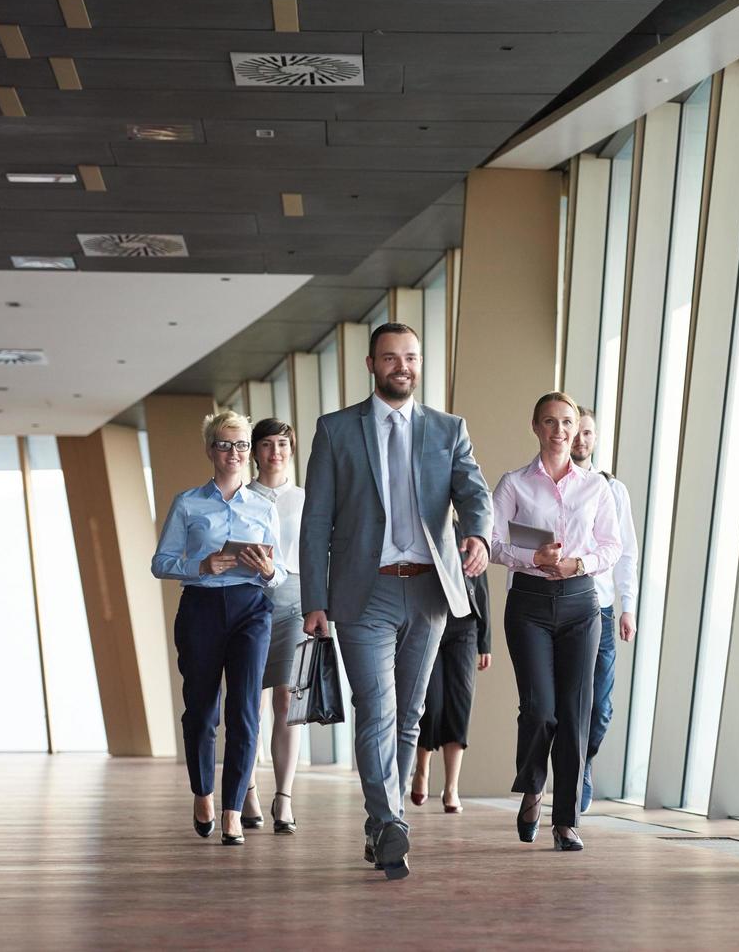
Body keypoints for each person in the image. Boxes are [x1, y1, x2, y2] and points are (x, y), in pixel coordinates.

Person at [300, 322, 492, 881]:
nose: (401, 366)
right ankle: (387, 821)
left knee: (409, 715)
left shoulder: (447, 429)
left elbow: (473, 493)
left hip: (430, 589)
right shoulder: (336, 431)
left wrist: (477, 533)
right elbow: (315, 522)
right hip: (365, 590)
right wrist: (315, 597)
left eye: (410, 356)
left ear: (420, 362)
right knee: (377, 709)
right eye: (390, 358)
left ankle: (386, 824)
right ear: (371, 364)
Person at [491, 392, 620, 852]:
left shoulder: (595, 487)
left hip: (581, 604)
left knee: (575, 713)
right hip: (528, 602)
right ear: (536, 426)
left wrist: (579, 564)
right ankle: (532, 788)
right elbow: (489, 542)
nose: (560, 431)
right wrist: (532, 557)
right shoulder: (514, 484)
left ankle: (566, 821)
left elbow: (612, 546)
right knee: (540, 710)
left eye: (567, 422)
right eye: (550, 422)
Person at [152, 410, 285, 846]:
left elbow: (280, 570)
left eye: (241, 445)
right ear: (211, 449)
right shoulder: (188, 503)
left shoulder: (264, 507)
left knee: (245, 712)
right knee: (202, 712)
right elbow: (160, 563)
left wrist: (267, 570)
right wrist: (200, 565)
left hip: (251, 609)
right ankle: (203, 792)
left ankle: (232, 811)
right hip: (202, 607)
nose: (234, 453)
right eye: (225, 445)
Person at [571, 407, 638, 812]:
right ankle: (565, 777)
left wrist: (627, 606)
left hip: (603, 608)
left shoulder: (613, 489)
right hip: (558, 605)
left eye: (588, 433)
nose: (581, 439)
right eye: (575, 431)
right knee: (560, 705)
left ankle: (584, 762)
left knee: (600, 706)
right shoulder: (545, 486)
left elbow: (627, 553)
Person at [241, 417, 306, 835]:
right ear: (255, 451)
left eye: (282, 443)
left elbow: (322, 554)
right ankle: (246, 791)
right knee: (250, 702)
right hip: (248, 600)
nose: (275, 452)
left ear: (291, 449)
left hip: (297, 602)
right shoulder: (240, 497)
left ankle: (283, 797)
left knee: (288, 699)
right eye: (266, 444)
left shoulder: (308, 499)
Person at [411, 549, 491, 814]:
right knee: (431, 704)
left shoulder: (468, 529)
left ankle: (451, 787)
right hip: (429, 619)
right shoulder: (426, 524)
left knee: (459, 704)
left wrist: (485, 641)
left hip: (465, 626)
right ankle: (422, 771)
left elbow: (481, 584)